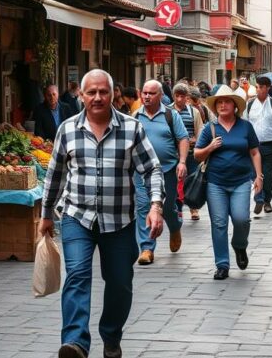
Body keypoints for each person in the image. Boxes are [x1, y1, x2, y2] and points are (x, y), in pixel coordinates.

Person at [40, 69, 164, 358]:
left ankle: (111, 336)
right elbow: (54, 174)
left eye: (103, 92)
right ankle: (76, 343)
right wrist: (46, 214)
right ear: (81, 95)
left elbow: (151, 169)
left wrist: (156, 206)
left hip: (119, 220)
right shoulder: (67, 129)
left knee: (120, 281)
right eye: (91, 92)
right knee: (77, 276)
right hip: (76, 217)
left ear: (113, 94)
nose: (97, 97)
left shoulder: (132, 128)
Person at [194, 86, 263, 280]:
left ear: (235, 106)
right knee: (219, 223)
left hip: (241, 181)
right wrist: (210, 147)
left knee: (242, 219)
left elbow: (255, 152)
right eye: (219, 102)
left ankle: (240, 246)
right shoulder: (210, 128)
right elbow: (197, 155)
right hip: (216, 183)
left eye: (227, 102)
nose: (223, 105)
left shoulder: (245, 127)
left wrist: (259, 176)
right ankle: (222, 264)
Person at [134, 80, 189, 264]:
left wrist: (182, 162)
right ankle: (147, 248)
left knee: (167, 208)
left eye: (151, 93)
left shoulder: (170, 115)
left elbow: (183, 139)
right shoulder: (135, 116)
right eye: (144, 93)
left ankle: (175, 227)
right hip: (141, 171)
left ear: (161, 96)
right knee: (144, 207)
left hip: (168, 170)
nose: (147, 96)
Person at [245, 76, 272, 215]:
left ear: (267, 88)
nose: (257, 89)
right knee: (255, 173)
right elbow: (244, 122)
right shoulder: (250, 104)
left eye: (260, 87)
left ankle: (267, 200)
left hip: (271, 144)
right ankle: (259, 198)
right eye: (256, 87)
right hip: (253, 145)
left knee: (268, 174)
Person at [173, 83, 204, 221]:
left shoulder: (194, 112)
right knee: (176, 183)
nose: (179, 99)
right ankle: (177, 209)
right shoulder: (168, 112)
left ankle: (193, 208)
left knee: (190, 181)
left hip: (191, 154)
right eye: (177, 96)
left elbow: (200, 132)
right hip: (173, 154)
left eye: (182, 96)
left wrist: (195, 140)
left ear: (187, 97)